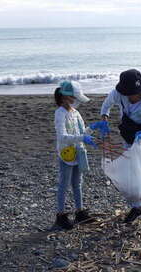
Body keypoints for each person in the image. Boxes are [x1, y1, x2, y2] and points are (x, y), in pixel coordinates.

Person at [100, 69, 141, 223]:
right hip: (129, 136)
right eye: (128, 93)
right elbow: (106, 106)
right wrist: (104, 119)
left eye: (133, 93)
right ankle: (136, 207)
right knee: (132, 175)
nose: (131, 96)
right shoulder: (118, 94)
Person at [53, 80, 110, 230]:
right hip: (66, 153)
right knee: (64, 184)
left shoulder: (75, 112)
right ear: (66, 97)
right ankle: (61, 216)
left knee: (78, 184)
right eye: (74, 98)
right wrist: (82, 138)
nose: (76, 101)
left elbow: (81, 131)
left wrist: (93, 127)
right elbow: (62, 136)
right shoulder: (60, 113)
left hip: (78, 152)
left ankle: (80, 212)